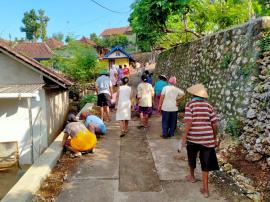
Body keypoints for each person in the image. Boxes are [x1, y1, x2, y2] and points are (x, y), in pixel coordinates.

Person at [181, 84, 219, 198]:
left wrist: (184, 137)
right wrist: (214, 137)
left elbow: (189, 121)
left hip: (193, 137)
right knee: (205, 163)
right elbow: (215, 124)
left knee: (191, 157)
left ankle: (192, 177)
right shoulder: (209, 106)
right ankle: (206, 190)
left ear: (193, 94)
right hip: (207, 138)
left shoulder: (190, 105)